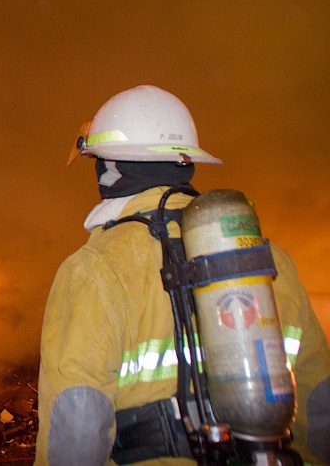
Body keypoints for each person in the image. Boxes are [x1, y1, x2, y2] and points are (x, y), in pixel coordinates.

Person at [36, 85, 330, 465]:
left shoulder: (94, 269)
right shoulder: (265, 258)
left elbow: (75, 435)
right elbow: (319, 405)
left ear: (110, 168)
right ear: (185, 160)